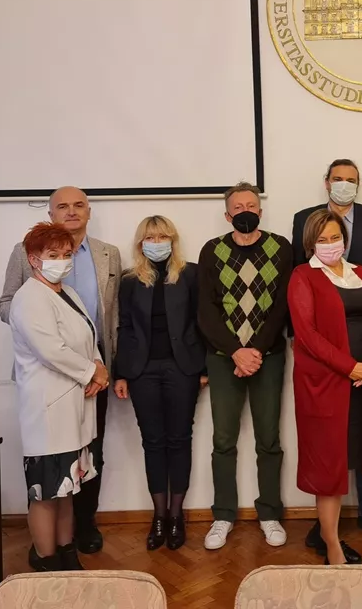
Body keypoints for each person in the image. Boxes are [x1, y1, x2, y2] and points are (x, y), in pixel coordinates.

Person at [0, 186, 120, 554]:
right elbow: (49, 346)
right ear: (35, 259)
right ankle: (46, 557)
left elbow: (98, 325)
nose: (62, 261)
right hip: (52, 391)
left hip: (85, 386)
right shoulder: (30, 294)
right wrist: (90, 371)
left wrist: (100, 367)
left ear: (89, 210)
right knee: (48, 484)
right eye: (54, 256)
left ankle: (73, 541)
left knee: (75, 474)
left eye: (66, 255)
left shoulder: (74, 283)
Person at [292, 159, 362, 548]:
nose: (331, 243)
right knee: (328, 453)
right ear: (311, 242)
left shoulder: (361, 273)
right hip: (327, 379)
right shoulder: (303, 275)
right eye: (323, 239)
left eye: (336, 237)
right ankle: (329, 537)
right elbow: (307, 333)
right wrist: (350, 366)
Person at [197, 183, 293, 550]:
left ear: (261, 211)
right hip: (224, 359)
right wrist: (236, 351)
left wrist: (255, 351)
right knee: (223, 440)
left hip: (268, 357)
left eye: (251, 205)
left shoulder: (280, 247)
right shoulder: (212, 250)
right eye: (238, 207)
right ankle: (223, 514)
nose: (245, 211)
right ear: (227, 215)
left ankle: (269, 513)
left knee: (269, 439)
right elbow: (206, 310)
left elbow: (282, 306)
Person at [113, 216, 207, 551]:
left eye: (163, 236)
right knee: (153, 442)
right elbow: (123, 327)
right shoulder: (129, 280)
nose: (157, 242)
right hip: (142, 371)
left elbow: (201, 321)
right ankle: (159, 516)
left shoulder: (191, 274)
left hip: (182, 368)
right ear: (141, 243)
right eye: (151, 237)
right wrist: (121, 373)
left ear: (173, 239)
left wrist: (203, 368)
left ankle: (177, 515)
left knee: (180, 439)